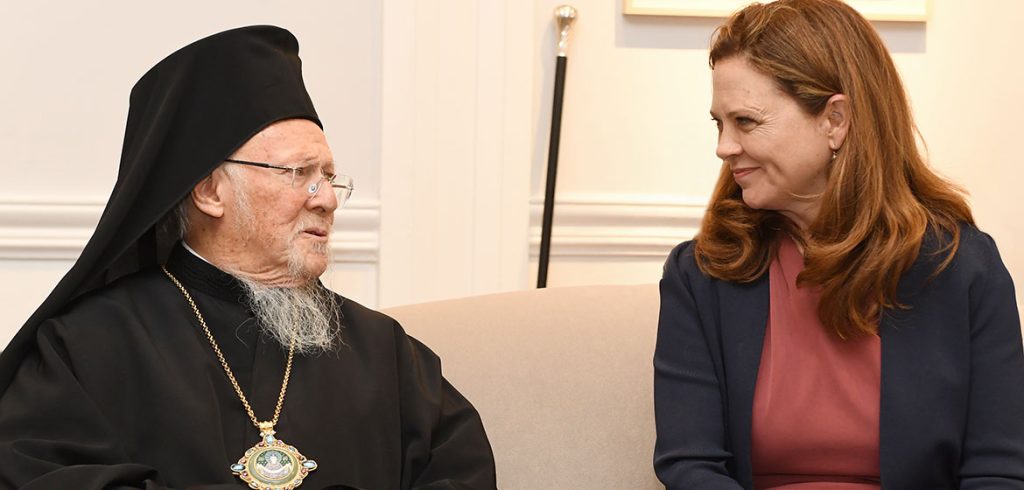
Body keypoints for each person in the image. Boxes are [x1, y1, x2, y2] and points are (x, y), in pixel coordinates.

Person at [0, 26, 496, 489]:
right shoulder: (88, 346)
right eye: (299, 173)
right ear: (209, 191)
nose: (326, 199)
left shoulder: (386, 353)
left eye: (328, 176)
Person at [653, 0, 1024, 488]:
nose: (723, 147)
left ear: (835, 120)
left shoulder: (960, 266)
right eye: (719, 124)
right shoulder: (701, 273)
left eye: (745, 121)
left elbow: (998, 473)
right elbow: (689, 465)